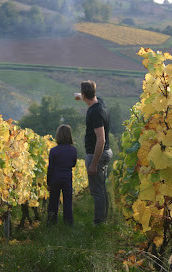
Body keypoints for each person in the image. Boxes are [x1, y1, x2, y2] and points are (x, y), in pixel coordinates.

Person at [75, 80, 113, 225]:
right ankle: (104, 219)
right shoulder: (100, 103)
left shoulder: (95, 113)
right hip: (106, 152)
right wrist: (81, 96)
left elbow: (101, 140)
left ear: (85, 95)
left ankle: (99, 222)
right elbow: (91, 96)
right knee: (101, 187)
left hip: (98, 154)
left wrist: (94, 164)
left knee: (97, 191)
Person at [47, 124, 77, 226]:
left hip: (55, 177)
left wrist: (48, 182)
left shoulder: (53, 150)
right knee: (67, 201)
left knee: (53, 201)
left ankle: (51, 223)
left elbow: (50, 168)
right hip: (67, 177)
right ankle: (68, 224)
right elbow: (73, 164)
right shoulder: (73, 150)